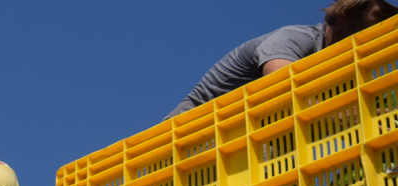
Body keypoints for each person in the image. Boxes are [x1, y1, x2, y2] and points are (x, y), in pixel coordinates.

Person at [166, 0, 398, 119]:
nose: (386, 26)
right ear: (347, 14)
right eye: (380, 16)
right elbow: (282, 87)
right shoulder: (297, 39)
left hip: (241, 140)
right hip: (188, 137)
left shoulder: (340, 73)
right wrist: (356, 117)